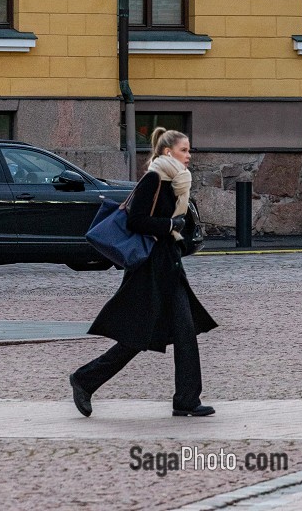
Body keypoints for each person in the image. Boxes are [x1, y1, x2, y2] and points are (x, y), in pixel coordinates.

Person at [69, 127, 217, 417]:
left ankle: (187, 399)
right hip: (149, 269)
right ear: (166, 152)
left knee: (185, 333)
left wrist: (181, 232)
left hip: (169, 266)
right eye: (184, 150)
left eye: (189, 150)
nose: (189, 156)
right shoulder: (153, 179)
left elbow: (176, 223)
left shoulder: (178, 183)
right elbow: (137, 221)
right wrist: (169, 226)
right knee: (136, 337)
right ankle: (84, 379)